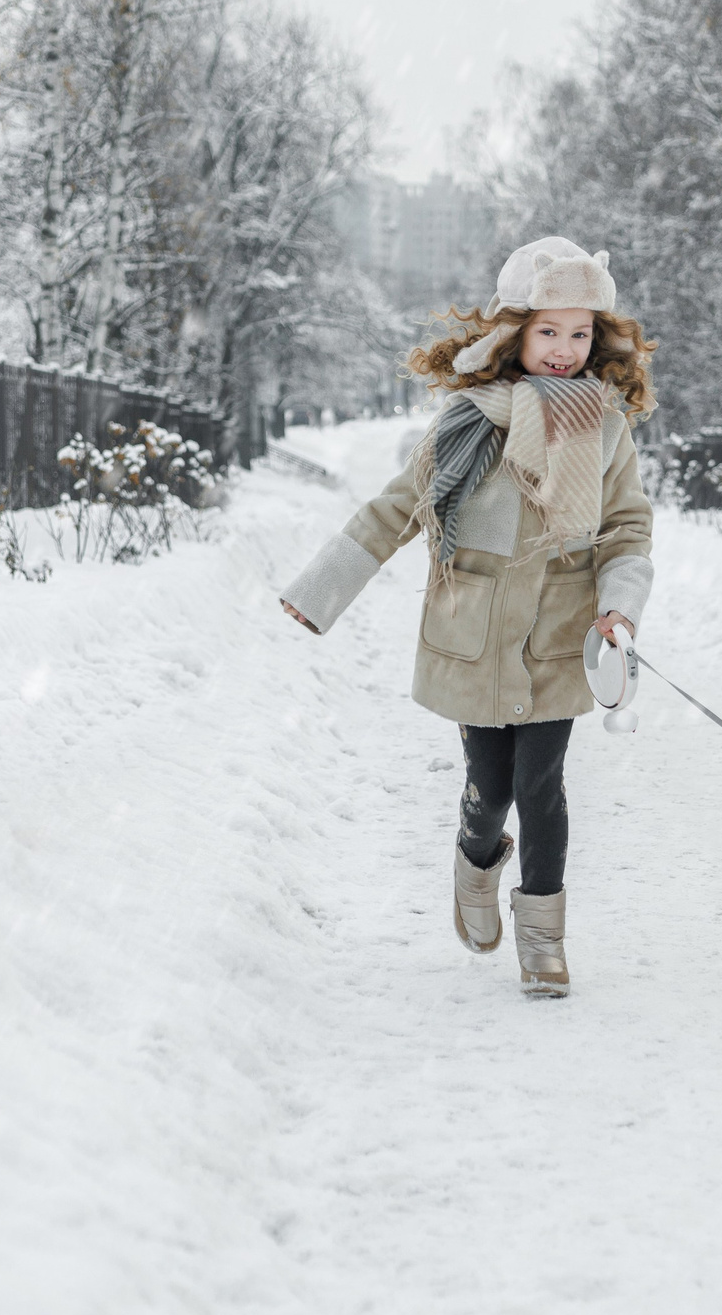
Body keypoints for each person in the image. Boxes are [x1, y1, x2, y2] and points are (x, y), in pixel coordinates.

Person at [278, 236, 656, 997]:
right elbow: (398, 508)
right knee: (489, 785)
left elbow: (626, 530)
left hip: (558, 637)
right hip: (473, 633)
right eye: (548, 331)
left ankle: (543, 942)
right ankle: (475, 859)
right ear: (514, 330)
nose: (564, 349)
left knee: (542, 781)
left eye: (580, 333)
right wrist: (320, 590)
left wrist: (618, 606)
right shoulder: (468, 421)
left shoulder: (607, 427)